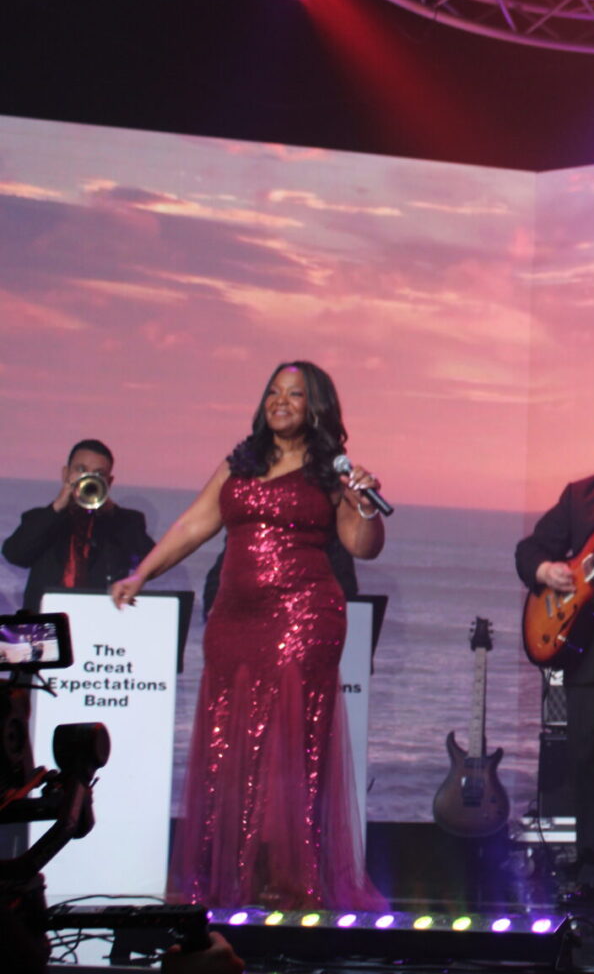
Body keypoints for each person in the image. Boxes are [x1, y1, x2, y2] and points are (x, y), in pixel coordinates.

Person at [110, 360, 387, 910]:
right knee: (229, 749)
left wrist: (363, 504)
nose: (280, 401)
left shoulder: (331, 470)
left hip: (302, 621)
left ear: (317, 407)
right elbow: (195, 523)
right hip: (234, 620)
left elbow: (363, 546)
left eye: (295, 394)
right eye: (273, 392)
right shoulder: (241, 460)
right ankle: (230, 878)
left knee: (287, 754)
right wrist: (144, 573)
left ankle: (287, 883)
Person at [514, 390, 594, 910]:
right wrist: (547, 571)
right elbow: (530, 549)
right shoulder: (580, 495)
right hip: (587, 656)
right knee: (593, 768)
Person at [4, 440, 154, 614]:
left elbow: (149, 561)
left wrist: (111, 512)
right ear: (66, 474)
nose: (89, 478)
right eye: (81, 470)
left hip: (98, 620)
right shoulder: (40, 517)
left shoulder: (125, 521)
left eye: (99, 473)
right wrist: (57, 507)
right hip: (46, 623)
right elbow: (15, 555)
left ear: (109, 481)